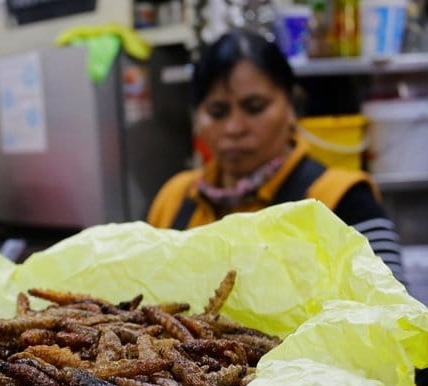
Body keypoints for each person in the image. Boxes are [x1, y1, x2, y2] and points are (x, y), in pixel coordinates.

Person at [148, 30, 404, 281]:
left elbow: (393, 312)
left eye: (255, 107)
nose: (235, 128)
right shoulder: (174, 199)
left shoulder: (342, 199)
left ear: (291, 106)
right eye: (217, 112)